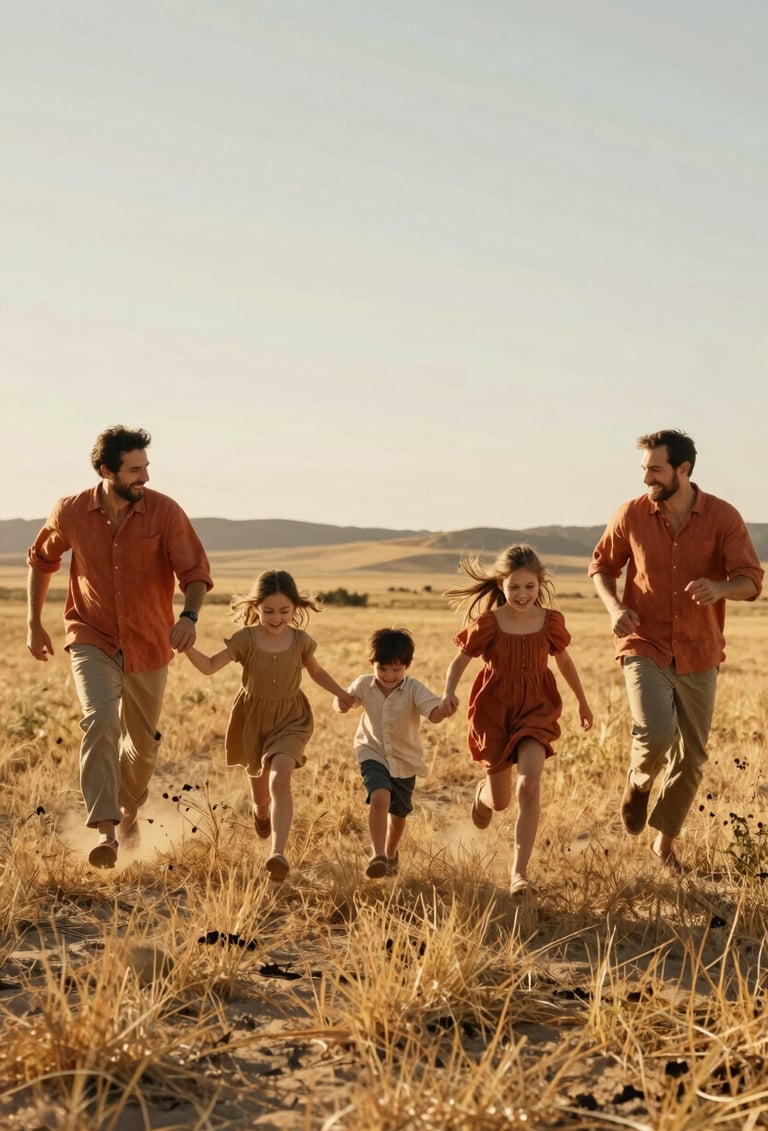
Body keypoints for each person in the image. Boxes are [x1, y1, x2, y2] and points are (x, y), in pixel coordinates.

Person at [26, 425, 213, 869]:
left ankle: (130, 811)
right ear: (107, 470)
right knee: (100, 720)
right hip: (91, 634)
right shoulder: (70, 512)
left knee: (143, 746)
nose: (144, 477)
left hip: (151, 640)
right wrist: (33, 623)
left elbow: (195, 572)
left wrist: (189, 616)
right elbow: (42, 559)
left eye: (146, 467)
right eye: (134, 470)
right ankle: (107, 832)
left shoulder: (165, 512)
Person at [590, 429, 763, 874]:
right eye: (644, 468)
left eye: (655, 468)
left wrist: (719, 587)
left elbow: (751, 580)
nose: (646, 476)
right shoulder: (631, 513)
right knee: (657, 736)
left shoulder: (723, 517)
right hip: (643, 641)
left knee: (692, 757)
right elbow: (602, 566)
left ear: (682, 470)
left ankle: (663, 846)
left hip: (700, 650)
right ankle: (639, 780)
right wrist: (614, 607)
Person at [184, 569, 355, 882]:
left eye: (284, 611)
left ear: (296, 609)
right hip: (253, 719)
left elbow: (316, 673)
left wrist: (341, 693)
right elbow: (209, 667)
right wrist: (185, 647)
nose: (277, 618)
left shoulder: (301, 641)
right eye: (269, 611)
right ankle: (261, 813)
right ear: (256, 608)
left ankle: (278, 853)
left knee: (280, 780)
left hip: (291, 717)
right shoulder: (245, 639)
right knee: (261, 795)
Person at [442, 545, 593, 893]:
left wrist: (582, 701)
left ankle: (518, 874)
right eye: (514, 588)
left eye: (529, 587)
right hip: (494, 712)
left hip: (536, 710)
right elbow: (459, 662)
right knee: (502, 801)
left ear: (540, 583)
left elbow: (565, 663)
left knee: (530, 785)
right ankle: (483, 795)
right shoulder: (489, 624)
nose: (522, 595)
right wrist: (449, 692)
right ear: (501, 586)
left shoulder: (550, 622)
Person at [334, 627, 455, 879]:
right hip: (372, 751)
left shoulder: (414, 689)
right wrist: (340, 703)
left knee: (398, 815)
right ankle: (377, 855)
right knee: (380, 798)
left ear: (407, 667)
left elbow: (433, 714)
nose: (389, 675)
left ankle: (390, 853)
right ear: (372, 663)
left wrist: (443, 709)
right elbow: (346, 701)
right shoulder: (363, 684)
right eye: (383, 668)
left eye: (396, 669)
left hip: (404, 760)